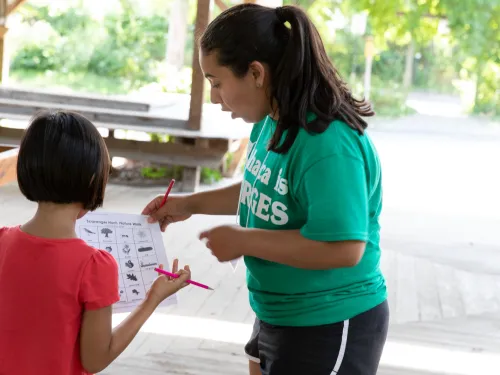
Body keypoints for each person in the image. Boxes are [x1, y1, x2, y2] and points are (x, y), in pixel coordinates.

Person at [142, 3, 388, 375]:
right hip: (277, 311)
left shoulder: (327, 143)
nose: (214, 97)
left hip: (330, 319)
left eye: (216, 82)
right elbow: (262, 187)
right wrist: (189, 203)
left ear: (256, 73)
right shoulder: (273, 119)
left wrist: (244, 241)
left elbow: (345, 247)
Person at [0, 111, 191, 375]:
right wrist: (152, 299)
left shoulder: (2, 241)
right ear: (93, 180)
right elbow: (95, 360)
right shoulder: (94, 266)